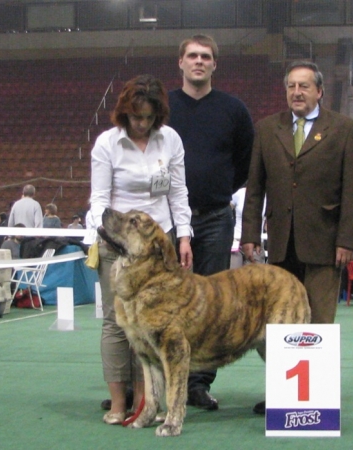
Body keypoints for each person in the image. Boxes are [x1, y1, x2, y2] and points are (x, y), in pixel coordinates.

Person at [241, 60, 353, 412]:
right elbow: (255, 187)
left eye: (304, 86)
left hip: (326, 244)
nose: (297, 92)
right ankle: (285, 395)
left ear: (319, 91)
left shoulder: (344, 129)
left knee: (319, 321)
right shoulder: (267, 128)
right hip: (280, 244)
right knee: (279, 325)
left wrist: (347, 241)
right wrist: (249, 233)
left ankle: (316, 400)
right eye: (291, 86)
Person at [90, 74, 193, 425]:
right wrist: (104, 238)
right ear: (125, 113)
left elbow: (178, 192)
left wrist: (184, 236)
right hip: (117, 244)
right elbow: (100, 199)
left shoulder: (170, 140)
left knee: (154, 323)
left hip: (158, 243)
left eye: (149, 117)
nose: (142, 123)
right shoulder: (107, 144)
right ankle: (119, 403)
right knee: (117, 323)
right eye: (136, 117)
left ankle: (145, 403)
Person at [168, 34, 254, 411]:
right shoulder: (164, 107)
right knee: (164, 304)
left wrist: (217, 189)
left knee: (208, 305)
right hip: (168, 223)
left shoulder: (234, 110)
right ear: (181, 62)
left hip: (217, 219)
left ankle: (198, 384)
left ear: (214, 64)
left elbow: (245, 164)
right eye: (192, 56)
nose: (199, 61)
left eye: (206, 56)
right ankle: (157, 383)